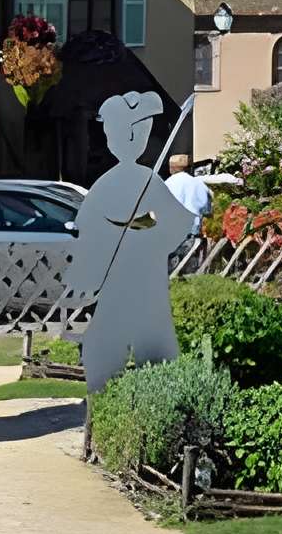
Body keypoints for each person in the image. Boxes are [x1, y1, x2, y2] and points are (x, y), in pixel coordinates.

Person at [62, 89, 190, 391]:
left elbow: (178, 225)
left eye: (140, 130)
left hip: (148, 283)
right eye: (122, 131)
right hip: (116, 283)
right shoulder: (104, 187)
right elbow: (88, 233)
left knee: (156, 346)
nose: (131, 139)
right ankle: (105, 403)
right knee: (105, 350)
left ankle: (159, 401)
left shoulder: (150, 182)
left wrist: (147, 236)